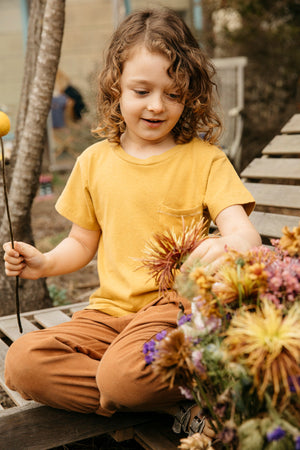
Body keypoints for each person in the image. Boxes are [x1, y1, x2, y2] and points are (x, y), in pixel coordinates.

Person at [3, 8, 261, 436]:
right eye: (142, 90)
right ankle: (160, 403)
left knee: (122, 376)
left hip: (171, 311)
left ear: (189, 96)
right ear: (115, 87)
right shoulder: (94, 161)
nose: (157, 105)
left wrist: (232, 242)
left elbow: (243, 232)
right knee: (22, 363)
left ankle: (129, 389)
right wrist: (45, 263)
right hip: (107, 316)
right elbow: (82, 242)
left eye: (173, 94)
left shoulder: (205, 161)